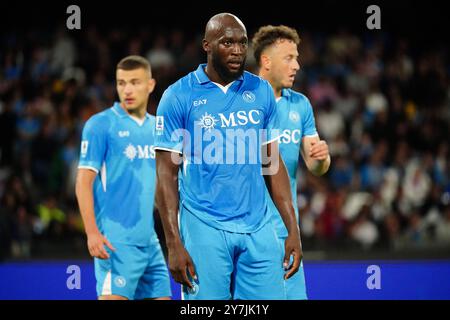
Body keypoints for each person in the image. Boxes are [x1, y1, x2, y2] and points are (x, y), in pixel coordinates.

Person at [155, 13, 301, 300]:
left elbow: (273, 163)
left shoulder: (260, 90)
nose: (237, 50)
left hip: (259, 228)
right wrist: (173, 242)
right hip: (204, 226)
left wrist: (292, 229)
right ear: (207, 45)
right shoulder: (178, 96)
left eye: (242, 43)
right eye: (227, 43)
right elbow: (165, 175)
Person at [75, 55, 171, 300]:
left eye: (135, 82)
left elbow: (163, 186)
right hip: (115, 242)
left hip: (149, 242)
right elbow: (83, 182)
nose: (127, 89)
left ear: (150, 85)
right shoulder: (100, 125)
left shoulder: (159, 128)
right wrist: (92, 233)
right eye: (121, 83)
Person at [252, 25, 331, 299]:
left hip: (287, 232)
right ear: (266, 61)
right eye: (288, 58)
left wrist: (322, 158)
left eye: (296, 58)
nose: (296, 65)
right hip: (247, 233)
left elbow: (315, 165)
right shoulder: (239, 101)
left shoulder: (300, 105)